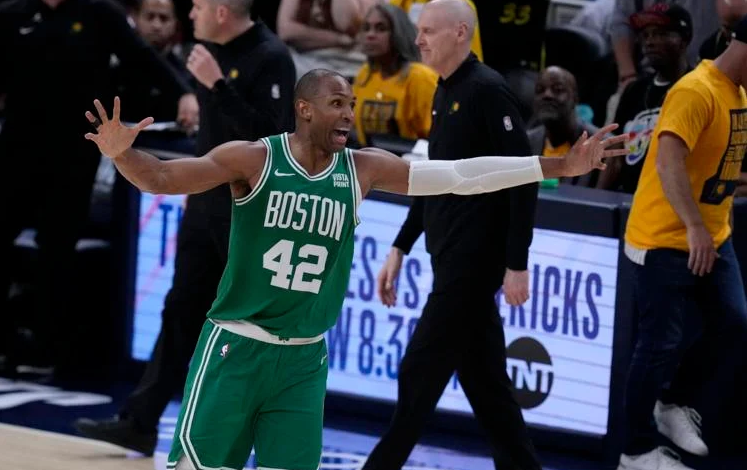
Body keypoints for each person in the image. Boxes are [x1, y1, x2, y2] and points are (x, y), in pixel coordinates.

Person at [81, 68, 626, 470]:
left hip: (302, 361)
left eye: (353, 103)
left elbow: (460, 175)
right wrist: (122, 155)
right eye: (338, 103)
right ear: (304, 109)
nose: (348, 113)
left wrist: (559, 165)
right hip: (236, 349)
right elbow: (163, 179)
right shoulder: (253, 159)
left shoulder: (361, 170)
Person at [73, 0, 296, 456]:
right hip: (203, 208)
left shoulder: (271, 57)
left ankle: (255, 435)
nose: (190, 14)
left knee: (243, 328)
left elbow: (274, 140)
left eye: (196, 6)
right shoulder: (206, 52)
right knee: (179, 313)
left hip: (248, 216)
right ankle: (140, 420)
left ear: (220, 11)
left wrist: (217, 86)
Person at [361, 0, 542, 469]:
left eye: (428, 31)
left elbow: (525, 177)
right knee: (489, 391)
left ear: (460, 33)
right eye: (418, 31)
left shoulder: (488, 91)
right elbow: (432, 181)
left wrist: (516, 262)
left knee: (418, 371)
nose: (417, 39)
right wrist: (401, 244)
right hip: (449, 257)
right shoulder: (445, 92)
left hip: (473, 265)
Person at [0, 0, 197, 376]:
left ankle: (44, 347)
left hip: (73, 152)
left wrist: (183, 93)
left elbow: (141, 57)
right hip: (16, 147)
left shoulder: (99, 13)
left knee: (56, 249)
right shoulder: (14, 13)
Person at [618, 14, 747, 470]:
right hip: (663, 236)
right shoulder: (696, 90)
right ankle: (634, 450)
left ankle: (672, 405)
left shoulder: (738, 93)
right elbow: (668, 161)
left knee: (733, 321)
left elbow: (717, 165)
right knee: (659, 344)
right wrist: (693, 225)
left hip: (715, 234)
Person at [597, 3, 692, 194]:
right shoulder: (635, 90)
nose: (649, 42)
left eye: (660, 34)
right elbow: (615, 155)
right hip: (629, 199)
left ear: (682, 40)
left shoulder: (696, 88)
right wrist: (597, 197)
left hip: (673, 201)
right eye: (646, 35)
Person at [351, 2, 437, 147]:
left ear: (399, 33)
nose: (371, 35)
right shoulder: (365, 74)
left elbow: (435, 137)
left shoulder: (420, 77)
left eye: (381, 28)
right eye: (366, 28)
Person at [528, 66, 600, 187]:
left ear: (575, 98)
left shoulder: (601, 146)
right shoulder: (525, 142)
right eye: (540, 90)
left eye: (558, 89)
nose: (547, 95)